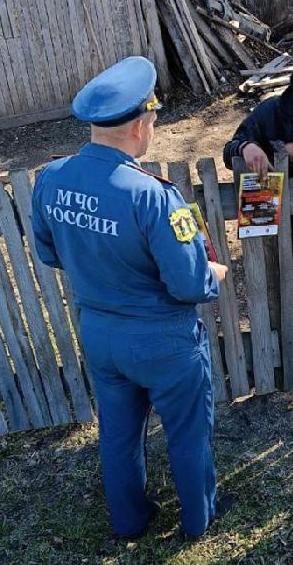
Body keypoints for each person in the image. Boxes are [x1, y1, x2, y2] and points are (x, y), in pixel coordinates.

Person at [31, 56, 230, 539]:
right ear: (140, 125)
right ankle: (198, 520)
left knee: (118, 436)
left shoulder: (52, 178)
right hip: (163, 339)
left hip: (100, 333)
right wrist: (214, 274)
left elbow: (50, 253)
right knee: (187, 433)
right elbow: (187, 284)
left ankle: (129, 520)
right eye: (155, 120)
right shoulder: (153, 195)